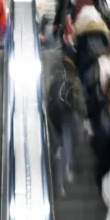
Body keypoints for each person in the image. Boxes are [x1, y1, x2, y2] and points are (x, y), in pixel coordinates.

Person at [45, 55, 83, 194]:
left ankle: (58, 155)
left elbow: (48, 97)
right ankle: (68, 166)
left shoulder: (54, 81)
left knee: (61, 140)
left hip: (53, 115)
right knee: (67, 139)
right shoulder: (67, 83)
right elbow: (71, 101)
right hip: (64, 115)